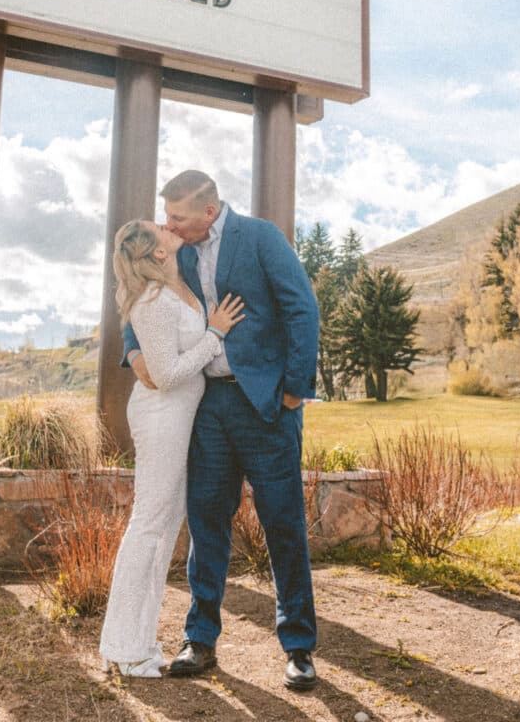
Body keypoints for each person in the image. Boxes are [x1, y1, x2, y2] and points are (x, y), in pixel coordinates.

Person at [123, 171, 320, 690]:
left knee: (283, 524)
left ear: (209, 212)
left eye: (178, 217)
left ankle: (298, 646)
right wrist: (133, 350)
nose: (169, 225)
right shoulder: (177, 250)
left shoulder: (260, 238)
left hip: (266, 407)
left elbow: (302, 308)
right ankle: (200, 638)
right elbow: (139, 290)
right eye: (167, 217)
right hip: (207, 406)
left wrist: (294, 391)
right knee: (206, 521)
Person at [99, 219, 245, 677]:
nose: (168, 224)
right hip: (161, 417)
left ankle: (140, 643)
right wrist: (215, 335)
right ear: (158, 253)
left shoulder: (179, 286)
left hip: (182, 420)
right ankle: (122, 647)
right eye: (159, 227)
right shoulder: (154, 299)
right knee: (148, 524)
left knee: (163, 529)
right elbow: (165, 375)